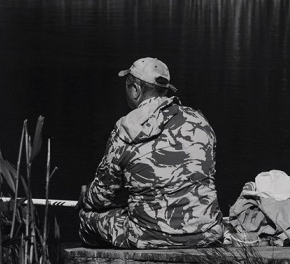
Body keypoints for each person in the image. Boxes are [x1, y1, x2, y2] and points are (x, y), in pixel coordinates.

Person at [79, 57, 225, 248]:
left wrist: (85, 197)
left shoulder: (125, 131)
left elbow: (100, 198)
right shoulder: (199, 121)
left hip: (148, 237)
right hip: (207, 233)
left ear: (136, 90)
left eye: (127, 86)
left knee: (87, 219)